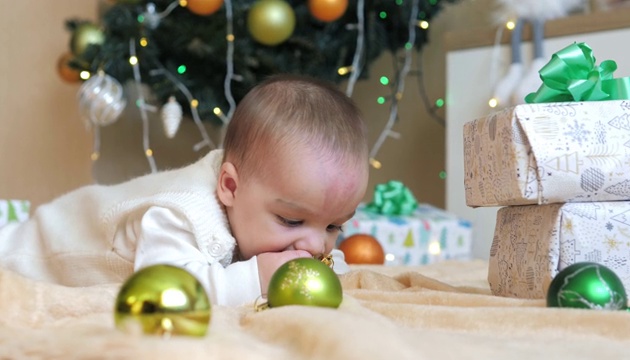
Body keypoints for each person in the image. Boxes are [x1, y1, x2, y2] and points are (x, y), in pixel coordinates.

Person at [0, 74, 370, 306]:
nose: (315, 246)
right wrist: (255, 277)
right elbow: (167, 291)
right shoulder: (182, 214)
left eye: (333, 227)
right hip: (35, 248)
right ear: (229, 187)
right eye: (291, 220)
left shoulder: (262, 205)